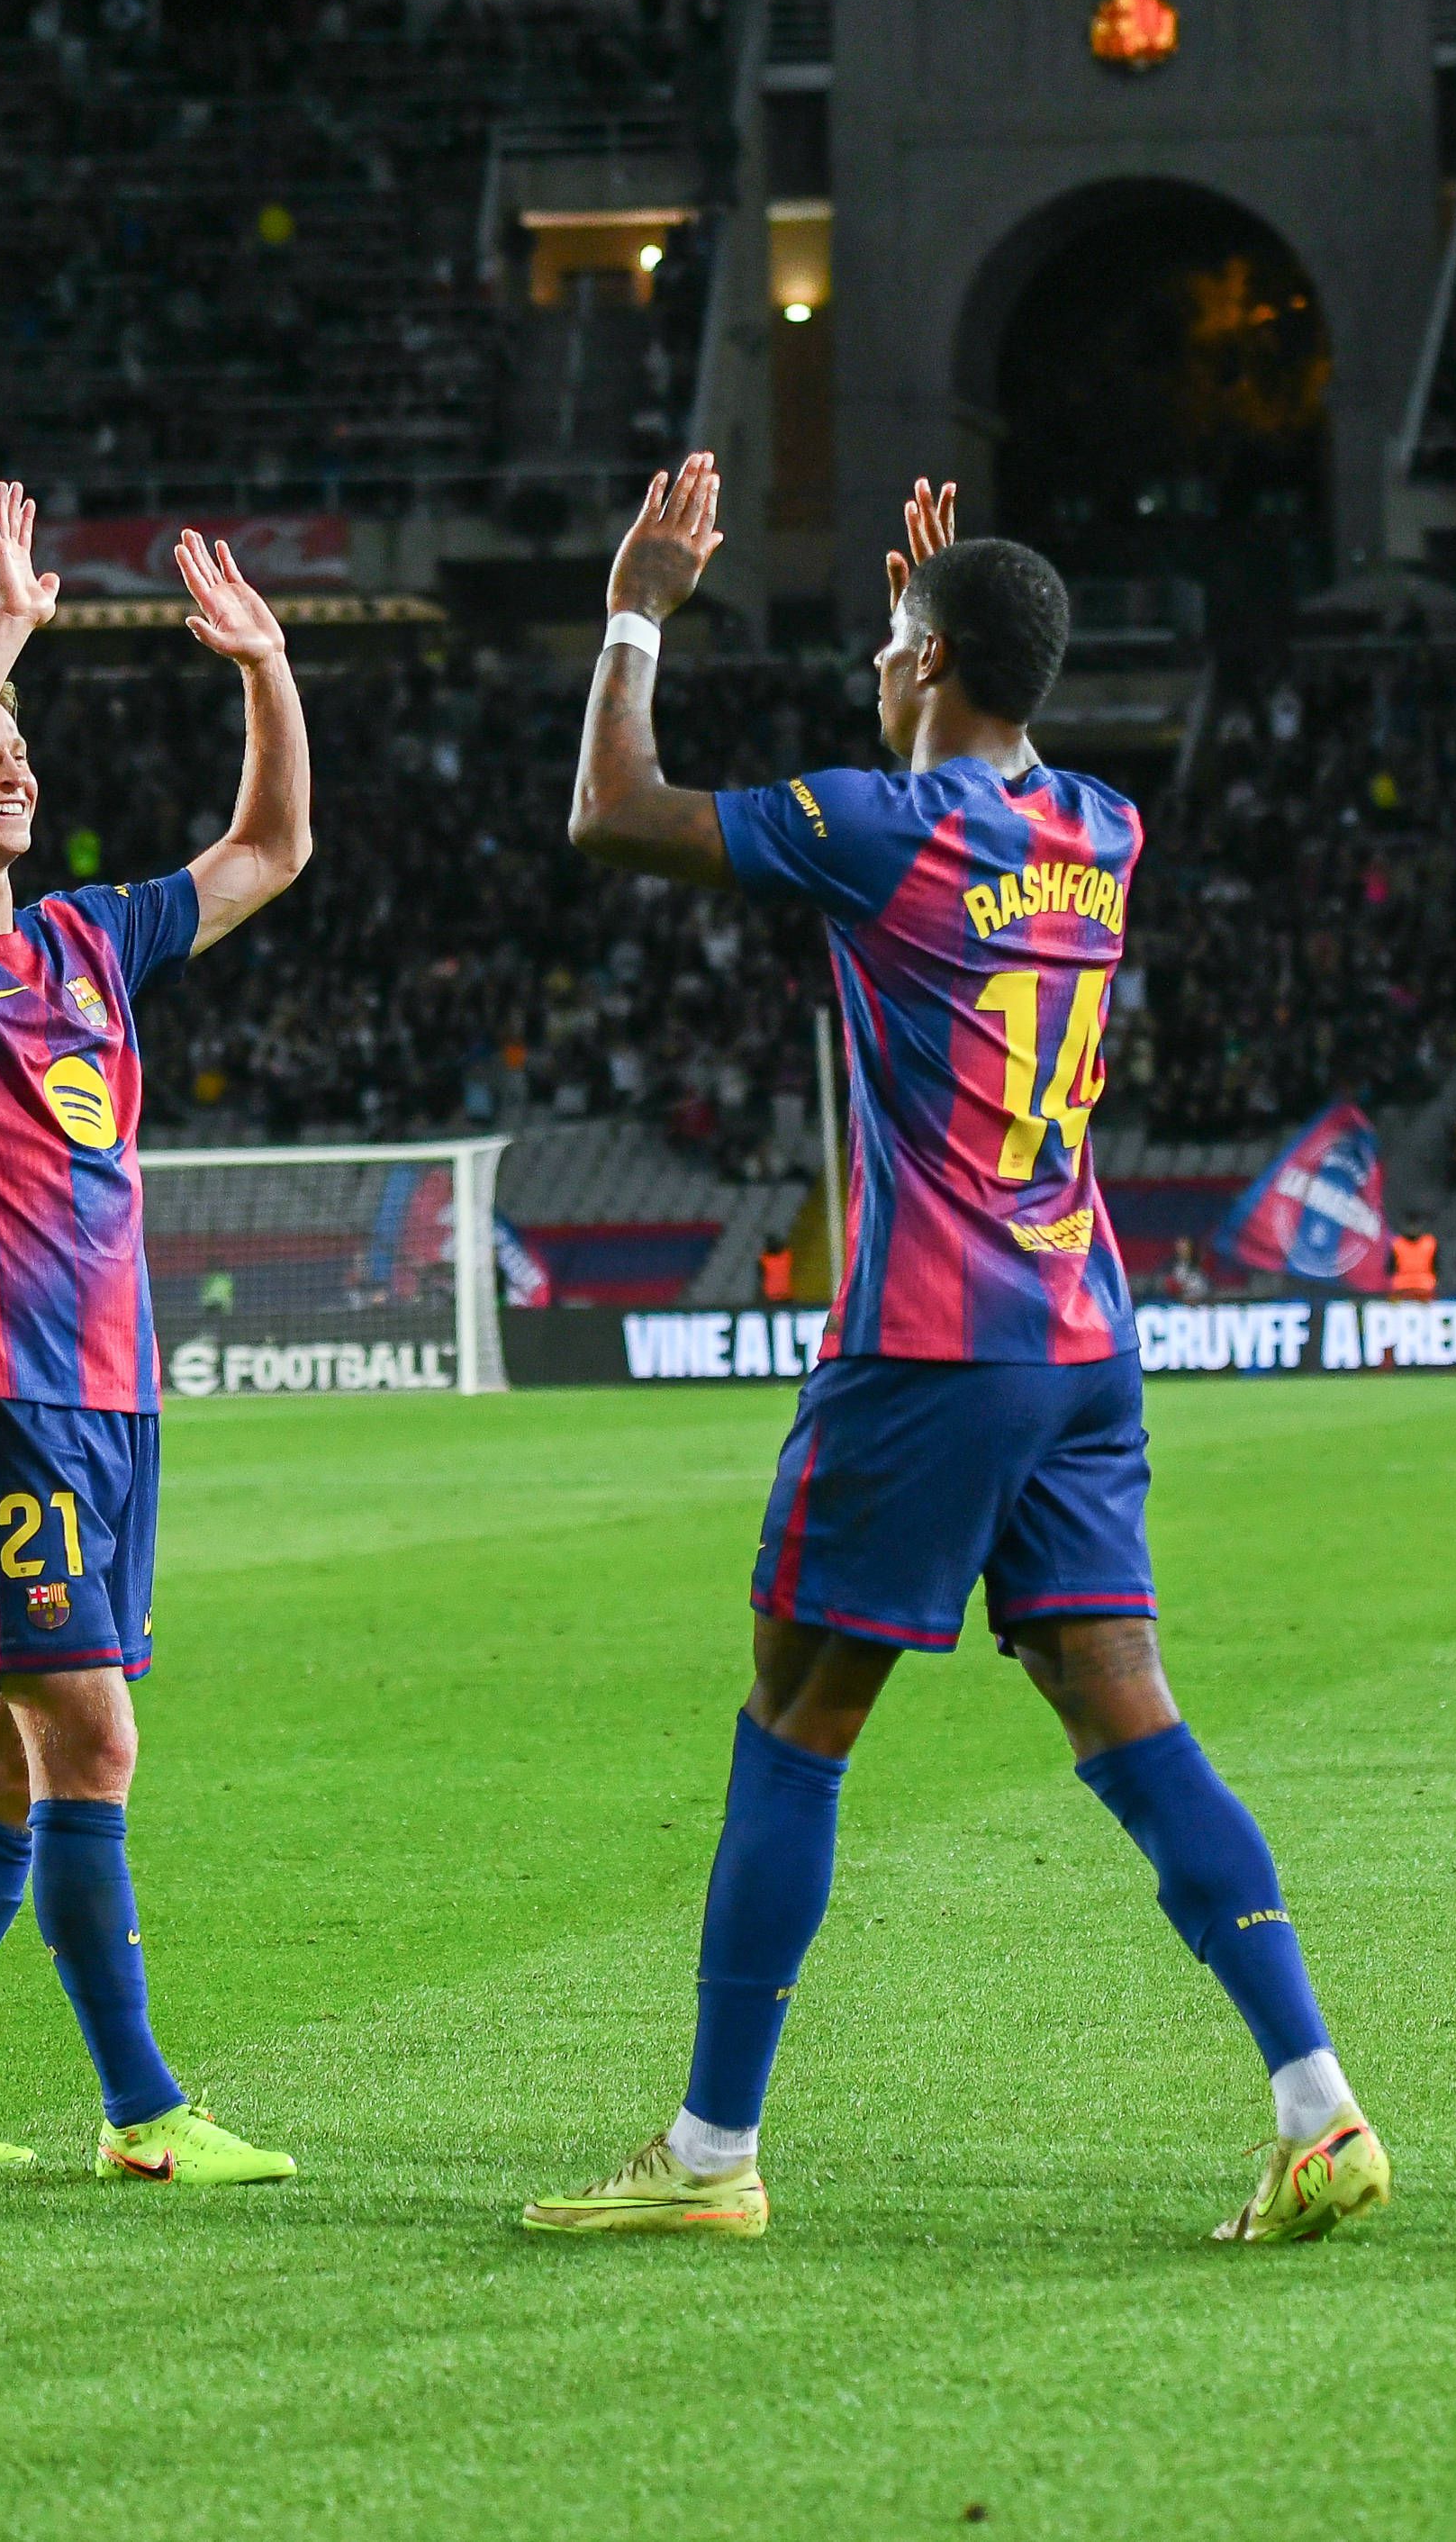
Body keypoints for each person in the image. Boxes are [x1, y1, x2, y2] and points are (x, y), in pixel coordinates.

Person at [523, 461, 1386, 2248]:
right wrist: (956, 633)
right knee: (1119, 1704)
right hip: (1082, 1327)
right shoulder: (1105, 828)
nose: (868, 655)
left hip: (928, 1334)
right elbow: (989, 745)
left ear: (921, 657)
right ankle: (1317, 2104)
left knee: (793, 1722)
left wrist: (637, 611)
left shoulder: (875, 829)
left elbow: (612, 806)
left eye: (889, 639)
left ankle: (705, 2153)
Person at [0, 488, 310, 2188]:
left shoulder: (90, 936)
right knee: (92, 1734)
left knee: (13, 1760)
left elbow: (269, 851)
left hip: (116, 1395)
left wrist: (265, 668)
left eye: (22, 743)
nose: (9, 764)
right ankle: (142, 2108)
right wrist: (3, 624)